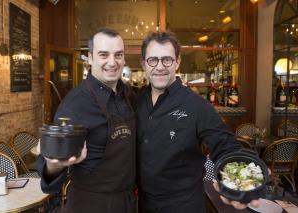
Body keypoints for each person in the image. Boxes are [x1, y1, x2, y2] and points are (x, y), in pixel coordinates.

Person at [136, 31, 260, 212]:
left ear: (177, 62)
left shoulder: (196, 105)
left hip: (183, 204)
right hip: (144, 203)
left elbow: (224, 144)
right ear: (143, 64)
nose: (160, 66)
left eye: (167, 60)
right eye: (153, 60)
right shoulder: (137, 101)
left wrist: (239, 178)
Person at [37, 28, 136, 213]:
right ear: (90, 58)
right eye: (103, 55)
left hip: (127, 202)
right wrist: (54, 165)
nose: (112, 62)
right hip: (91, 204)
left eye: (118, 55)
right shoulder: (74, 104)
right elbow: (48, 178)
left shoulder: (128, 95)